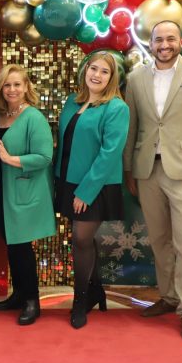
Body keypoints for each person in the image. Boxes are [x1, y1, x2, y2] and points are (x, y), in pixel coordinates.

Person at [123, 20, 182, 342]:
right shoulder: (136, 78)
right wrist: (129, 169)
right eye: (158, 40)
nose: (164, 45)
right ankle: (168, 296)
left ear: (181, 42)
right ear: (150, 44)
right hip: (147, 169)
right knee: (159, 239)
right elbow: (132, 126)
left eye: (170, 39)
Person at [56, 53, 129, 329]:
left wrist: (85, 192)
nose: (97, 75)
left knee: (81, 239)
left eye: (104, 72)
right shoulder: (72, 101)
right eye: (93, 68)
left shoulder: (117, 108)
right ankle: (96, 290)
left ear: (112, 78)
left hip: (95, 184)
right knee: (83, 240)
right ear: (85, 70)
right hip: (68, 180)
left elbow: (110, 153)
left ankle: (80, 300)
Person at [0, 64, 55, 326]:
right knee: (11, 244)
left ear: (26, 87)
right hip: (1, 191)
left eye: (17, 84)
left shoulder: (33, 117)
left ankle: (32, 301)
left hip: (24, 191)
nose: (12, 89)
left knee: (22, 247)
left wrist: (9, 158)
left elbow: (44, 156)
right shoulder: (0, 116)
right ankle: (18, 295)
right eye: (7, 85)